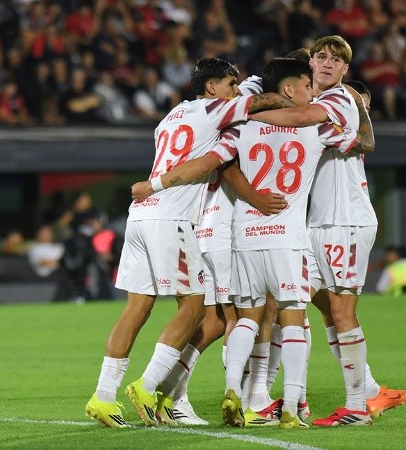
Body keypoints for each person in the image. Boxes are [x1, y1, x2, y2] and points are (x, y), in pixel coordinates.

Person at [84, 57, 294, 428]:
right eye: (230, 83)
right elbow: (264, 104)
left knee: (137, 309)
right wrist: (286, 93)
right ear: (211, 87)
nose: (234, 90)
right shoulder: (216, 109)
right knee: (196, 308)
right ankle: (149, 387)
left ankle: (103, 397)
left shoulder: (171, 117)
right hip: (172, 216)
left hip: (141, 218)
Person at [252, 35, 406, 427]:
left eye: (335, 59)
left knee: (340, 311)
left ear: (345, 70)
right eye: (320, 56)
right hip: (315, 224)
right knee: (302, 304)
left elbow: (301, 121)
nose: (326, 63)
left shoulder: (339, 100)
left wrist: (247, 114)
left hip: (345, 220)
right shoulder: (311, 100)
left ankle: (358, 406)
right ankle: (305, 398)